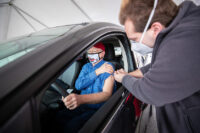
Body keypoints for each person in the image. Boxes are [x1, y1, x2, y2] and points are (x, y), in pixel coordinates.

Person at [114, 0, 200, 133]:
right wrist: (132, 73)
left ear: (155, 29)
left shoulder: (182, 45)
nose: (134, 45)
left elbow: (147, 91)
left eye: (135, 39)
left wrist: (124, 79)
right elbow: (162, 65)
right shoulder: (185, 25)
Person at [57, 42, 115, 133]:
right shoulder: (86, 67)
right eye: (89, 52)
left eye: (94, 51)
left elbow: (106, 94)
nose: (91, 55)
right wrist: (97, 72)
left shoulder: (108, 66)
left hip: (96, 110)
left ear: (102, 53)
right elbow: (78, 85)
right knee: (58, 117)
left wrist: (81, 99)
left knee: (72, 127)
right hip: (81, 106)